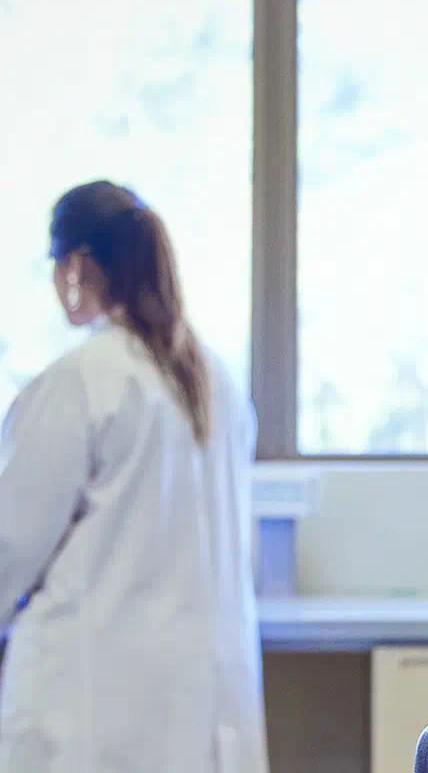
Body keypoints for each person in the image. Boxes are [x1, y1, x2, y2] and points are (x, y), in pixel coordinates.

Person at [0, 181, 268, 773]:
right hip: (198, 709)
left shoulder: (85, 378)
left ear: (77, 264)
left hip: (89, 713)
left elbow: (10, 543)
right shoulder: (215, 379)